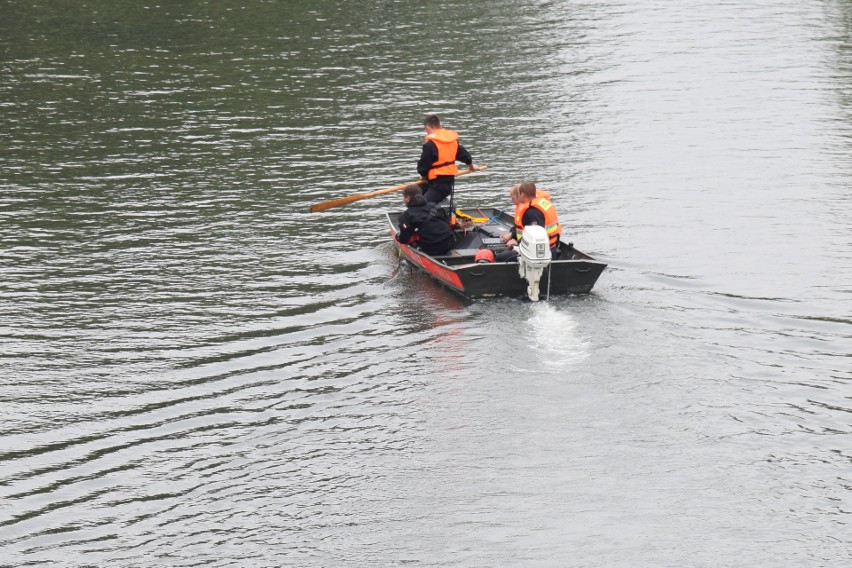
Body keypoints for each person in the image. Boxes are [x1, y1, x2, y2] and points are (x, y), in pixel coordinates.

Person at [417, 115, 480, 204]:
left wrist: (422, 175)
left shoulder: (430, 144)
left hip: (438, 186)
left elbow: (423, 165)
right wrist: (471, 166)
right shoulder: (452, 141)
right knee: (417, 195)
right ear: (440, 125)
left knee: (422, 206)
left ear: (427, 128)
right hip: (447, 183)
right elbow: (465, 155)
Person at [496, 181, 563, 261]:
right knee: (500, 251)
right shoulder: (540, 203)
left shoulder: (532, 212)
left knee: (499, 257)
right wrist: (513, 235)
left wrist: (516, 242)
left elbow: (535, 236)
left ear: (523, 195)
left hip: (539, 252)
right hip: (550, 246)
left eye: (519, 194)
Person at [395, 184, 456, 255]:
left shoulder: (406, 216)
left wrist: (398, 237)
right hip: (450, 243)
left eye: (404, 197)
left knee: (409, 237)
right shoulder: (434, 206)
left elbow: (404, 239)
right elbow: (447, 222)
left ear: (408, 198)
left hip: (431, 250)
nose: (403, 200)